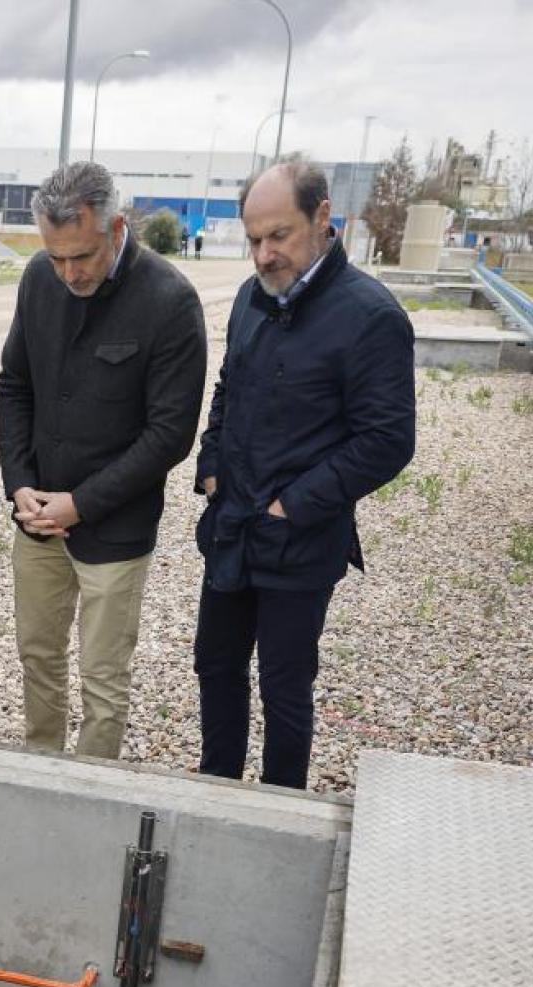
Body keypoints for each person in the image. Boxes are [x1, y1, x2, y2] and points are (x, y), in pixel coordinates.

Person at [194, 160, 415, 790]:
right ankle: (217, 789)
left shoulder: (370, 316)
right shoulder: (250, 298)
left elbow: (388, 440)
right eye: (254, 239)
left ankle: (280, 806)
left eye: (279, 236)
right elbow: (228, 387)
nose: (264, 255)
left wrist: (294, 504)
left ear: (323, 218)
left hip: (301, 538)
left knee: (284, 683)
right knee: (215, 664)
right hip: (233, 523)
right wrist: (211, 466)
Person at [0, 160, 206, 760]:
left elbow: (170, 435)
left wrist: (81, 505)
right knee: (37, 657)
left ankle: (92, 789)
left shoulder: (170, 302)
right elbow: (15, 386)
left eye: (81, 257)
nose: (68, 273)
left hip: (114, 530)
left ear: (118, 228)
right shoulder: (39, 280)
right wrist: (20, 485)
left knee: (103, 679)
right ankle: (41, 767)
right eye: (56, 257)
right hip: (37, 518)